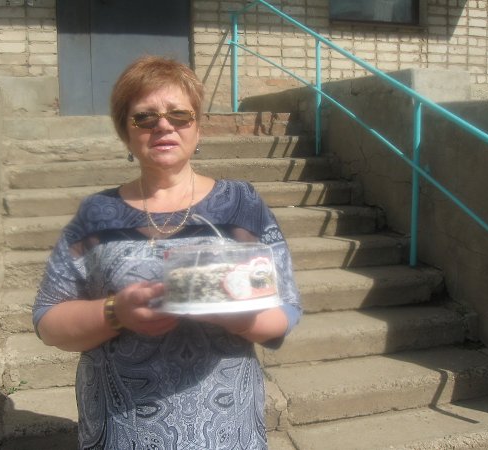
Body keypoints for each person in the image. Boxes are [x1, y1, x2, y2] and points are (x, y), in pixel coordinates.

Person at [33, 56, 301, 449]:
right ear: (125, 132)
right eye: (145, 117)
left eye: (179, 115)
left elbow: (286, 309)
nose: (163, 126)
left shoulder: (242, 205)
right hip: (122, 429)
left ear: (198, 127)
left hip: (226, 430)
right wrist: (116, 312)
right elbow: (48, 320)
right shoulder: (96, 215)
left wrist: (243, 319)